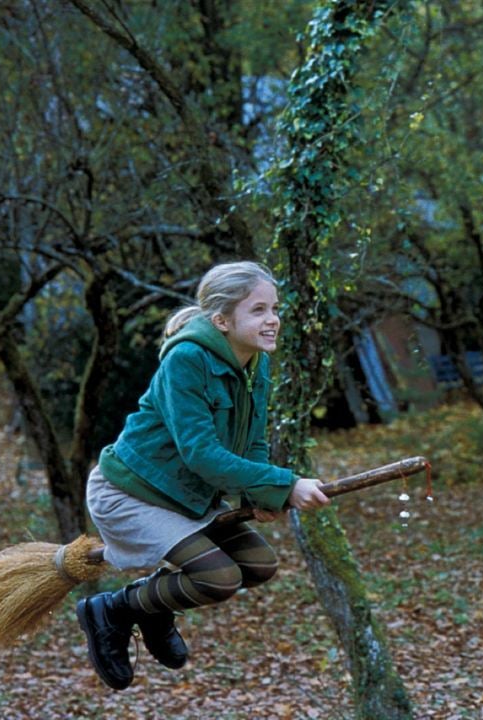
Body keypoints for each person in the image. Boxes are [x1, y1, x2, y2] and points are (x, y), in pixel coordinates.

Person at [77, 261, 329, 691]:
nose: (272, 320)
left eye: (275, 308)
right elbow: (201, 454)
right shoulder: (187, 359)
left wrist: (262, 496)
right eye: (258, 310)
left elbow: (251, 443)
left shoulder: (255, 364)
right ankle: (114, 610)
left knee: (258, 565)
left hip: (184, 497)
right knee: (218, 578)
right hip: (130, 493)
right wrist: (286, 483)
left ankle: (151, 609)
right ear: (221, 320)